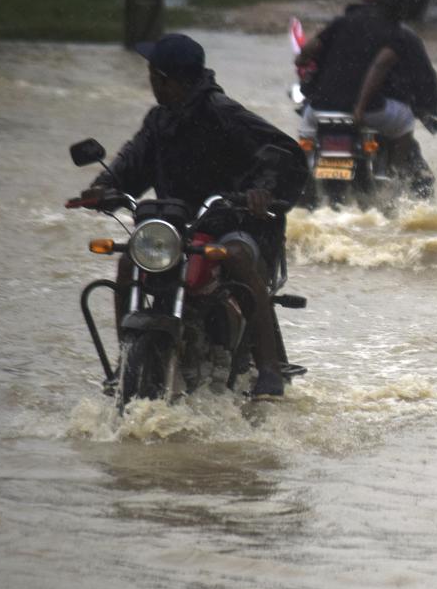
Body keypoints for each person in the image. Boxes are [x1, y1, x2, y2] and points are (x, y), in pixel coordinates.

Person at [76, 33, 308, 398]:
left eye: (155, 76)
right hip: (173, 227)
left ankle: (268, 370)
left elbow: (285, 153)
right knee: (127, 262)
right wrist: (105, 187)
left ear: (169, 80)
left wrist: (263, 189)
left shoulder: (224, 114)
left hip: (232, 223)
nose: (152, 82)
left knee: (237, 257)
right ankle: (127, 359)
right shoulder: (158, 121)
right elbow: (131, 162)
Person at [294, 0, 437, 197]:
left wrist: (301, 59)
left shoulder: (342, 22)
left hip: (320, 108)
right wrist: (360, 108)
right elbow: (380, 67)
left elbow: (308, 51)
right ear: (401, 10)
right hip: (366, 112)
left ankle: (304, 176)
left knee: (306, 129)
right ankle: (394, 176)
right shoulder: (397, 34)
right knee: (405, 121)